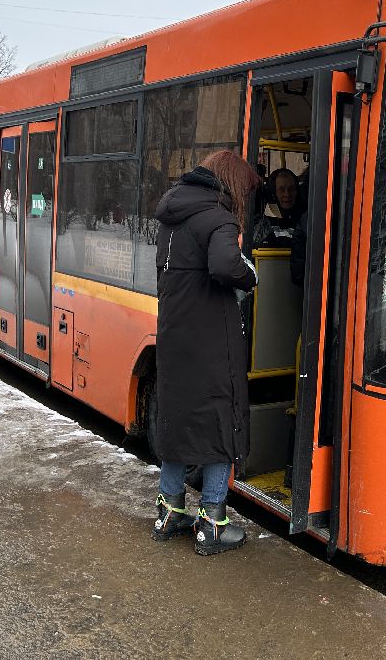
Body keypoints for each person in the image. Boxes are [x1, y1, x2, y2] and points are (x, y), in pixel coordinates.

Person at [151, 149, 260, 555]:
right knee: (221, 420)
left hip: (175, 336)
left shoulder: (172, 217)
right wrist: (250, 273)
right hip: (213, 340)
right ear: (232, 183)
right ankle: (212, 523)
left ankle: (169, 511)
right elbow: (224, 265)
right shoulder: (219, 218)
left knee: (176, 420)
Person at [252, 168, 304, 246]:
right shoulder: (261, 227)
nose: (287, 194)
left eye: (291, 189)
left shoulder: (307, 222)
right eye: (281, 190)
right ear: (272, 194)